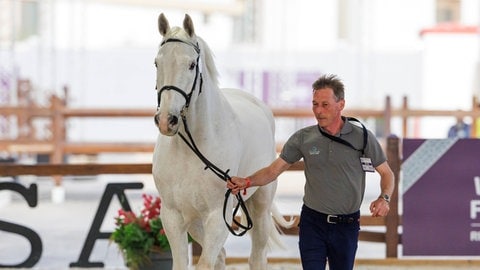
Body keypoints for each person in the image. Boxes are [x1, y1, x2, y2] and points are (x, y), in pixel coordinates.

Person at [227, 74, 395, 270]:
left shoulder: (362, 137)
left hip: (346, 226)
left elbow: (387, 173)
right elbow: (273, 170)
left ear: (341, 104)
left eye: (325, 105)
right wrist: (247, 181)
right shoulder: (303, 138)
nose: (318, 111)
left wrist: (385, 198)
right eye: (315, 104)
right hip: (312, 223)